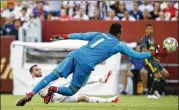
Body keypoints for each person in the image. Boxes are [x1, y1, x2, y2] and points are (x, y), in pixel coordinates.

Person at [16, 23, 167, 106]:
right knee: (71, 90)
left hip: (75, 54)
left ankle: (29, 95)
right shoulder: (118, 45)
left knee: (51, 75)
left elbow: (81, 36)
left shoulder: (99, 34)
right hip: (86, 65)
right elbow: (137, 55)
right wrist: (154, 53)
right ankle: (54, 89)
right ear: (119, 33)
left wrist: (63, 37)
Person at [29, 65, 118, 103]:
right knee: (76, 80)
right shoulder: (36, 81)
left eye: (39, 69)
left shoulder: (37, 81)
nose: (39, 70)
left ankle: (109, 100)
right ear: (32, 73)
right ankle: (101, 79)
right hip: (56, 94)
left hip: (56, 98)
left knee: (83, 98)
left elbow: (31, 93)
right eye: (36, 70)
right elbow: (31, 92)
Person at [139, 24, 169, 99]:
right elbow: (144, 50)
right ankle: (151, 93)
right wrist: (155, 53)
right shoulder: (144, 39)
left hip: (153, 59)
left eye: (151, 28)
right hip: (148, 60)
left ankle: (156, 90)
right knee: (158, 75)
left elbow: (154, 51)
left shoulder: (152, 39)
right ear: (145, 30)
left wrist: (157, 56)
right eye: (148, 28)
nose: (150, 30)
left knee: (166, 74)